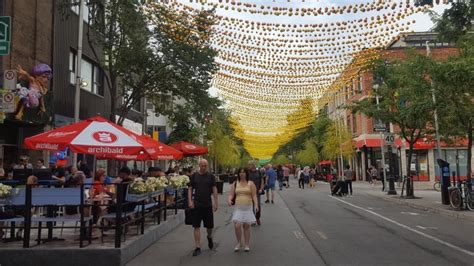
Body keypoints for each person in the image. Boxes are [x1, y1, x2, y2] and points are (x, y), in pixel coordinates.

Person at [188, 159, 218, 257]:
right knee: (196, 226)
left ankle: (209, 237)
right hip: (197, 204)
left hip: (208, 204)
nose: (203, 167)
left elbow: (214, 189)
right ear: (199, 165)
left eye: (205, 165)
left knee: (209, 226)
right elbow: (190, 188)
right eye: (202, 165)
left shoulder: (211, 177)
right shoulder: (194, 176)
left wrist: (216, 202)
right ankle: (197, 247)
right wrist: (190, 201)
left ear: (207, 166)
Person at [227, 168, 258, 252]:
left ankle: (247, 244)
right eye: (240, 172)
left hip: (248, 207)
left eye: (243, 172)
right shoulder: (235, 183)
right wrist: (229, 200)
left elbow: (254, 195)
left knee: (246, 226)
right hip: (238, 208)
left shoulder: (251, 183)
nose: (242, 174)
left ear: (246, 174)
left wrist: (256, 205)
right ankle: (238, 242)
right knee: (237, 226)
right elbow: (231, 194)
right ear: (238, 174)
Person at [247, 161, 263, 225]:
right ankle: (253, 219)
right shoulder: (247, 173)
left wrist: (261, 188)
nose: (248, 166)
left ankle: (257, 218)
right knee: (251, 206)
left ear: (253, 165)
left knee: (258, 205)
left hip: (257, 192)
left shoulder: (258, 172)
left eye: (249, 165)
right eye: (248, 165)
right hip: (249, 192)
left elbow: (262, 181)